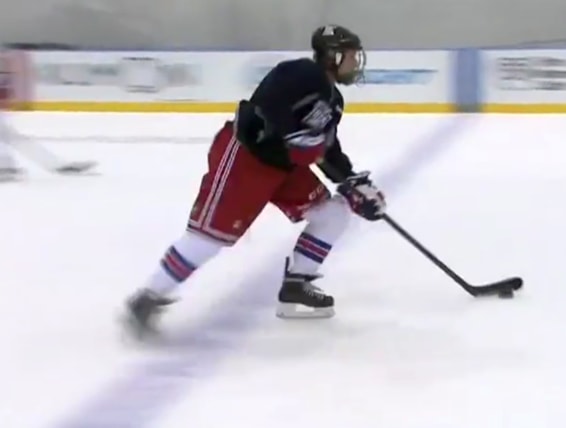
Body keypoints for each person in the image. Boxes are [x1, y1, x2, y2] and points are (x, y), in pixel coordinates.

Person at [124, 24, 387, 337]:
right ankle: (148, 298)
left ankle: (296, 286)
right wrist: (294, 137)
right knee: (210, 239)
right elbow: (269, 109)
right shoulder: (300, 73)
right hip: (246, 160)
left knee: (333, 213)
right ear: (333, 56)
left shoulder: (334, 101)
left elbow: (327, 149)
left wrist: (352, 183)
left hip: (283, 167)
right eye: (351, 56)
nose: (355, 63)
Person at [0, 52, 22, 181]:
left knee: (4, 139)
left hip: (2, 112)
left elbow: (8, 95)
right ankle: (6, 166)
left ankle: (6, 166)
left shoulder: (6, 78)